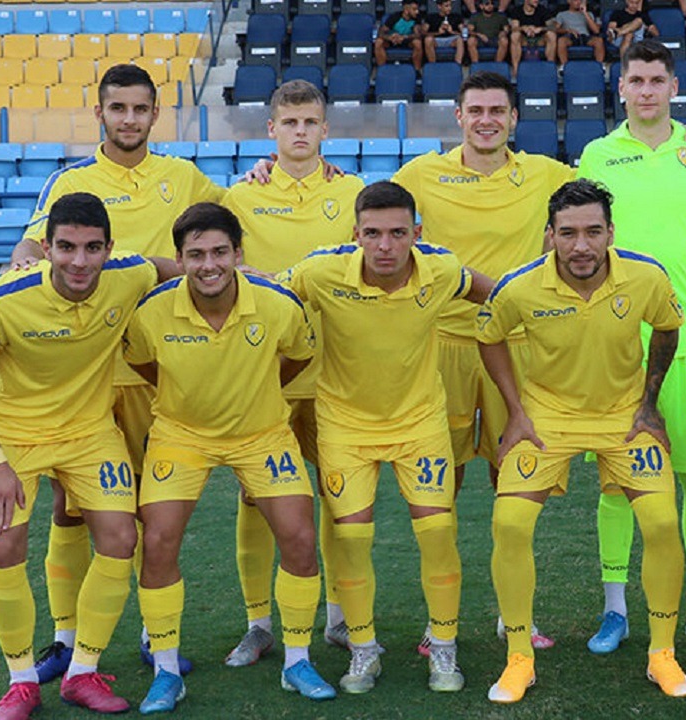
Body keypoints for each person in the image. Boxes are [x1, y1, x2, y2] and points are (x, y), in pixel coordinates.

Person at [13, 63, 223, 683]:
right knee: (70, 508)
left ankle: (156, 636)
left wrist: (277, 168)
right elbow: (32, 245)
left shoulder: (184, 177)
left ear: (155, 114)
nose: (129, 119)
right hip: (87, 372)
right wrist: (20, 265)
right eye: (118, 108)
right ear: (99, 113)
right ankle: (65, 637)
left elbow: (236, 220)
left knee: (153, 511)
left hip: (159, 366)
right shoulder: (71, 181)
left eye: (139, 108)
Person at [0, 192, 173, 718]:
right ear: (45, 248)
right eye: (67, 247)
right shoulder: (1, 300)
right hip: (13, 436)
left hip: (89, 432)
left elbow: (166, 266)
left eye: (92, 248)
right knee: (3, 546)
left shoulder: (127, 274)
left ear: (109, 249)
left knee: (120, 539)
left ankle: (82, 672)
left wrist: (237, 272)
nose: (79, 261)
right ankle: (21, 682)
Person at [480, 179, 686, 704]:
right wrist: (516, 412)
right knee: (509, 524)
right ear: (550, 235)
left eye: (593, 232)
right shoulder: (518, 286)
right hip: (546, 418)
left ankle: (662, 654)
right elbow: (489, 338)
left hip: (624, 416)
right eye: (568, 233)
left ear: (610, 233)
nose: (581, 245)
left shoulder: (646, 276)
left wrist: (649, 403)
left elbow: (667, 328)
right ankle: (518, 658)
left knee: (662, 523)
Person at [281, 181, 494, 695]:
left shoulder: (442, 269)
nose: (385, 246)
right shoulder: (320, 271)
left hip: (419, 423)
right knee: (351, 537)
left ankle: (443, 645)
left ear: (417, 233)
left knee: (438, 531)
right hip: (345, 425)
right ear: (355, 234)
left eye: (398, 233)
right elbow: (266, 295)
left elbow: (498, 292)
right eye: (373, 233)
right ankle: (363, 648)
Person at [392, 70, 574, 651]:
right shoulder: (420, 174)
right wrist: (266, 166)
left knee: (514, 482)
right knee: (437, 488)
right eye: (476, 110)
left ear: (514, 118)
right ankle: (438, 620)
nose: (487, 120)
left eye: (498, 110)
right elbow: (364, 213)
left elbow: (612, 194)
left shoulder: (547, 174)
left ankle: (513, 615)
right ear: (459, 117)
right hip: (440, 345)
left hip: (515, 345)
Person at [126, 203, 333, 712]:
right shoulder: (151, 311)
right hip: (180, 435)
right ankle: (167, 671)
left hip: (262, 434)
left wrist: (255, 394)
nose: (209, 264)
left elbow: (299, 354)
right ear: (179, 259)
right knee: (157, 540)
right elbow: (142, 362)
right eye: (195, 254)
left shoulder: (278, 304)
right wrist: (187, 397)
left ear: (238, 253)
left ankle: (297, 660)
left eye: (220, 252)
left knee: (300, 536)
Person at [576, 39, 686, 654]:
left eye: (656, 80)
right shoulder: (597, 154)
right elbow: (579, 239)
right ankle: (615, 609)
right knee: (617, 484)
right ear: (621, 88)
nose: (646, 90)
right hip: (618, 343)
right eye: (636, 80)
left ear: (674, 87)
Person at [221, 80, 364, 665]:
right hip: (268, 373)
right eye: (290, 122)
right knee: (255, 498)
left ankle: (338, 616)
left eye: (309, 122)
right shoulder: (241, 196)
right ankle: (258, 623)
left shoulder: (354, 192)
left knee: (338, 493)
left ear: (325, 129)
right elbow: (219, 267)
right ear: (271, 130)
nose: (300, 132)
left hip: (336, 372)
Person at [507, 0, 557, 77]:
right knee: (515, 35)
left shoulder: (542, 9)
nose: (537, 0)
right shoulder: (517, 10)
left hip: (540, 40)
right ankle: (516, 70)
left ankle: (550, 68)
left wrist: (540, 29)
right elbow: (514, 28)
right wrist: (523, 28)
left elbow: (552, 27)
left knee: (551, 35)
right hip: (524, 40)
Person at [376, 0, 425, 71]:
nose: (417, 12)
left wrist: (404, 37)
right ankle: (381, 69)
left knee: (417, 43)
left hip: (407, 40)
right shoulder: (395, 17)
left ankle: (417, 70)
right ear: (406, 9)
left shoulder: (417, 18)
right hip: (392, 40)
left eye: (417, 9)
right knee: (379, 42)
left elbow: (418, 34)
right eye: (414, 9)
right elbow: (380, 32)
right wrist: (389, 37)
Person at [554, 0, 606, 65]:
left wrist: (585, 13)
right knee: (561, 41)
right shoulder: (561, 14)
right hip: (570, 36)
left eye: (580, 1)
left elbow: (596, 31)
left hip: (585, 36)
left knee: (599, 41)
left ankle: (599, 66)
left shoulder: (589, 14)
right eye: (575, 0)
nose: (578, 2)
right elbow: (555, 29)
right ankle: (564, 66)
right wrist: (567, 30)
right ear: (569, 1)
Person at [466, 0, 511, 65]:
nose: (490, 6)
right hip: (480, 40)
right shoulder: (475, 17)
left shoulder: (500, 16)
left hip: (495, 39)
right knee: (471, 40)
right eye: (487, 4)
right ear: (481, 6)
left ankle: (498, 65)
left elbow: (507, 29)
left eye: (492, 3)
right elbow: (469, 31)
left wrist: (504, 32)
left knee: (504, 40)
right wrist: (479, 35)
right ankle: (476, 65)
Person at [423, 0, 466, 65]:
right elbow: (423, 33)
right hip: (436, 40)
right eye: (446, 6)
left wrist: (452, 32)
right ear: (439, 6)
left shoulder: (456, 17)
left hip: (451, 40)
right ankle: (433, 65)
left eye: (450, 6)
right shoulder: (431, 17)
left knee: (460, 40)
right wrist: (438, 33)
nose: (449, 8)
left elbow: (464, 34)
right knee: (428, 39)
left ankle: (457, 65)